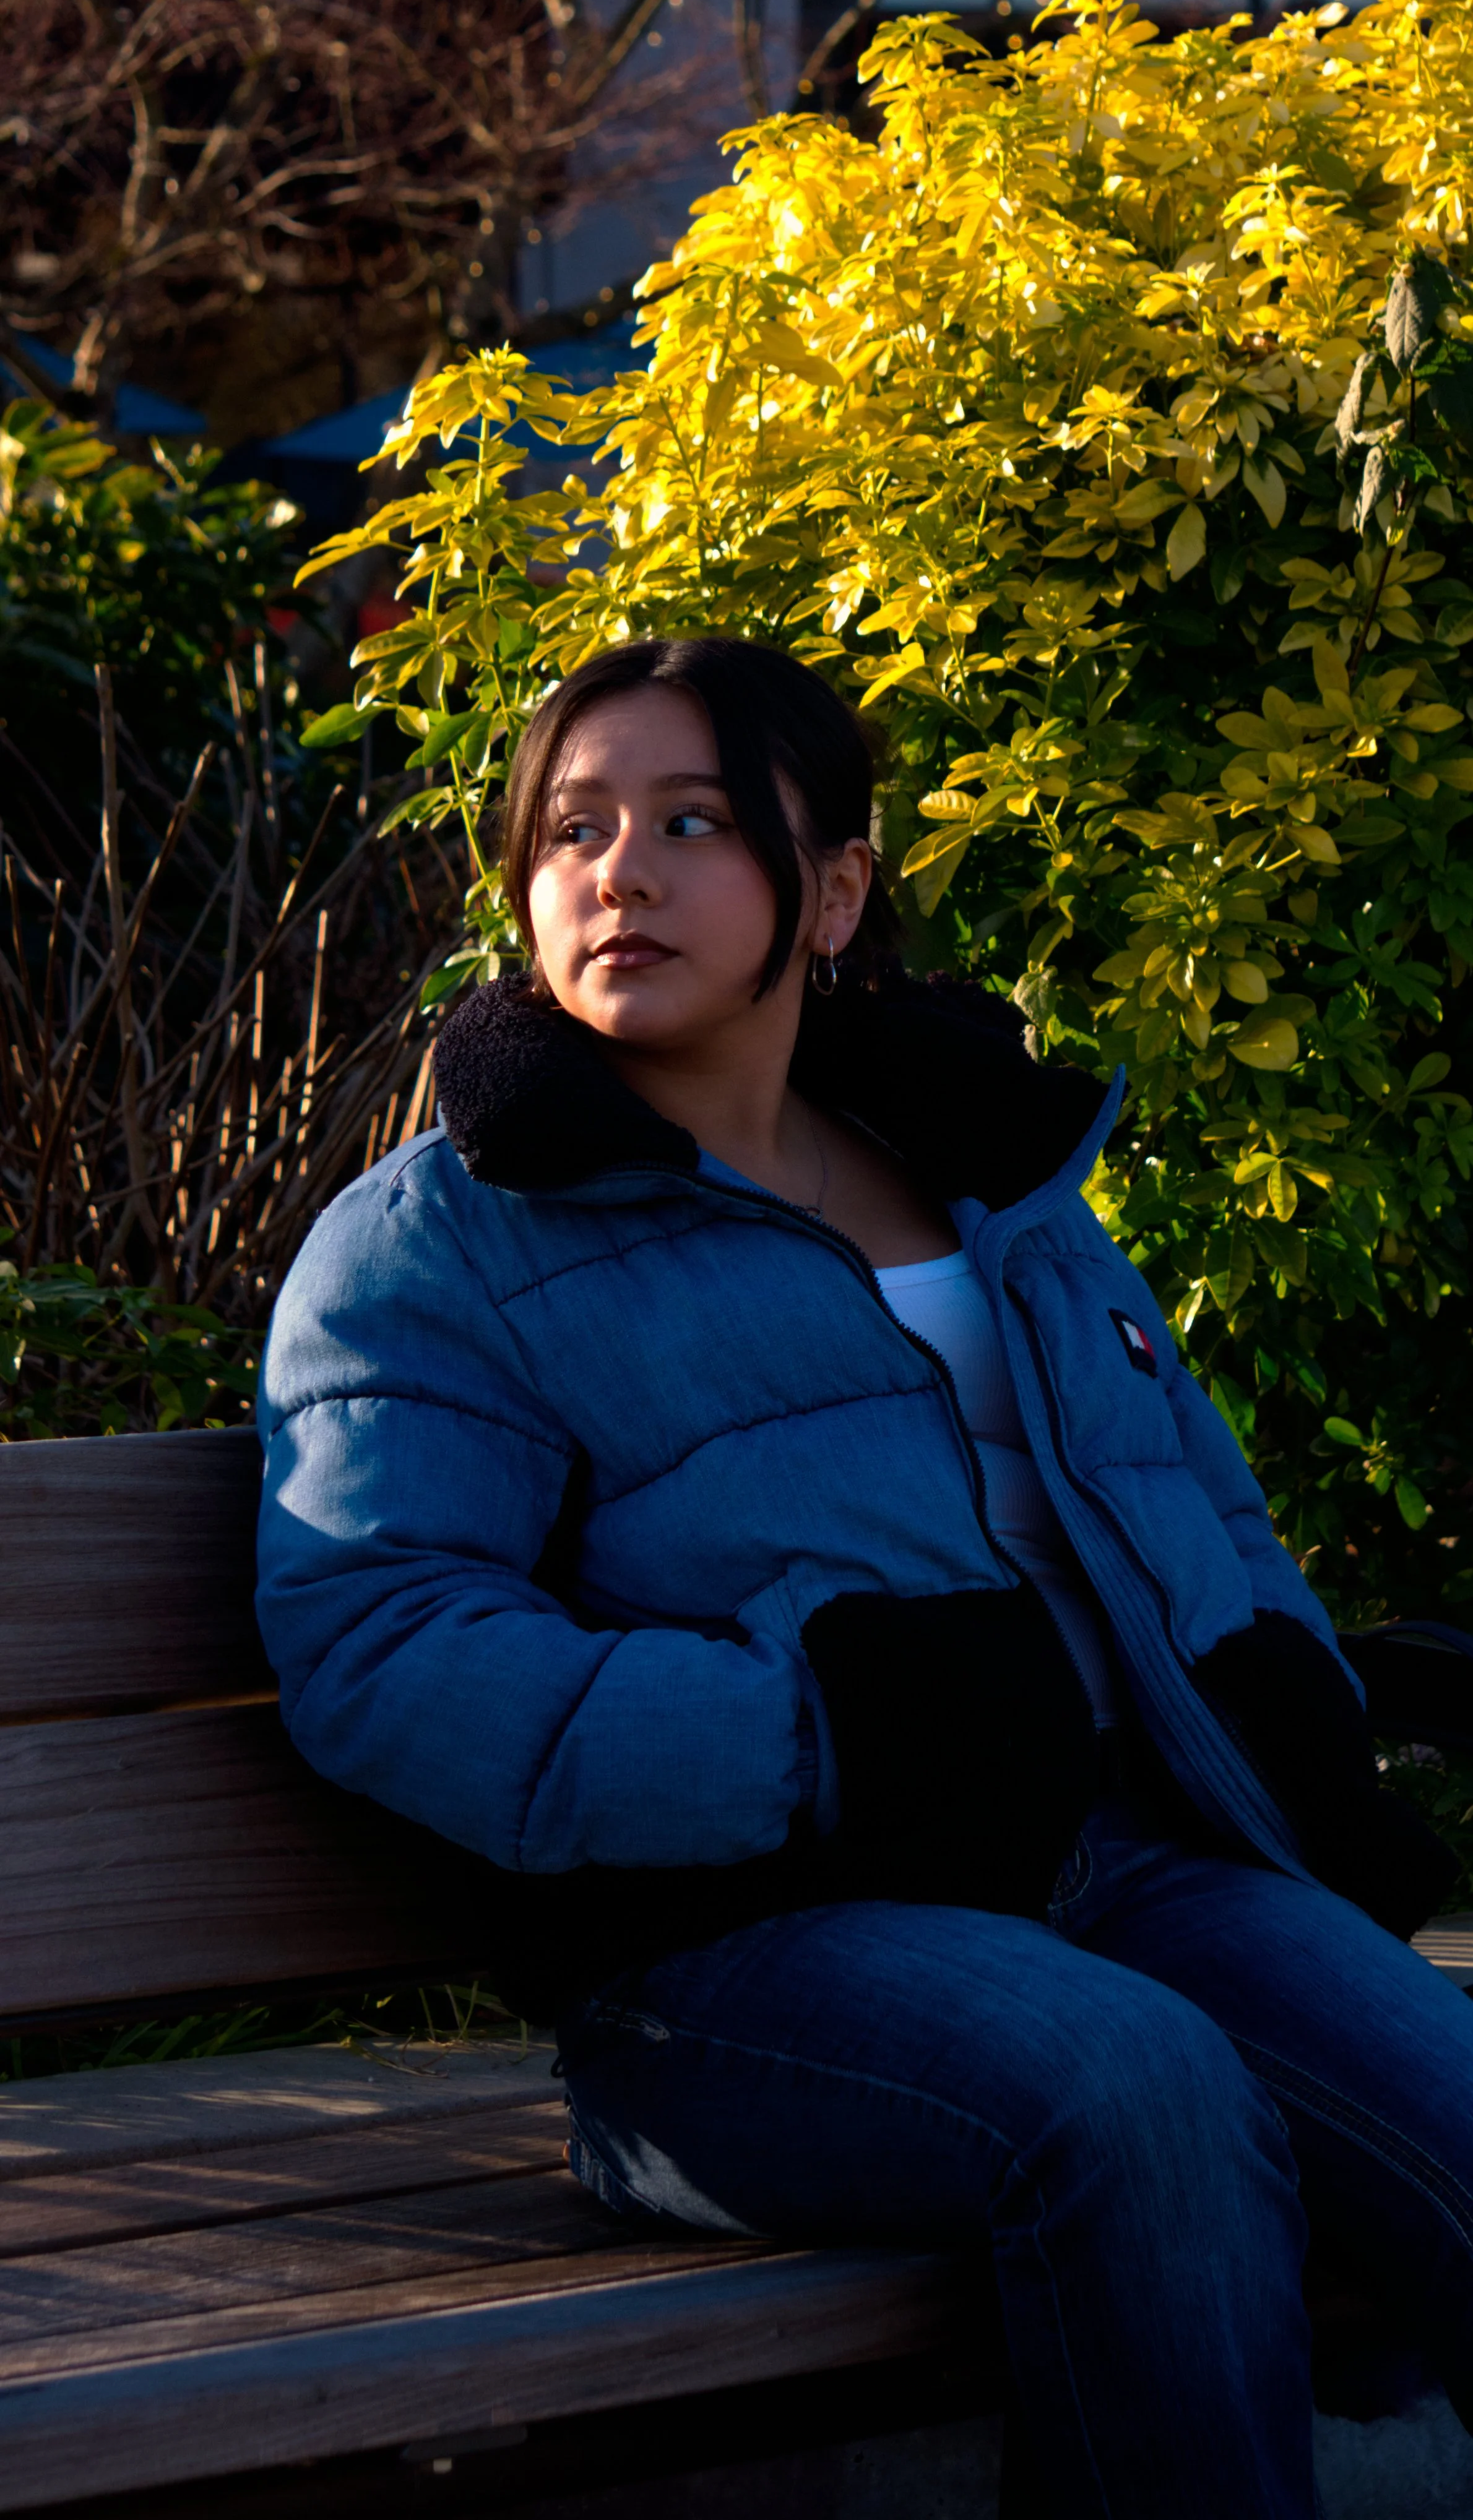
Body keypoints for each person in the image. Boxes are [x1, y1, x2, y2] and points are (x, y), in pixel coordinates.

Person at [256, 636, 1473, 2519]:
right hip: (725, 1961)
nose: (619, 873)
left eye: (691, 822)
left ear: (830, 890)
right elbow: (387, 1644)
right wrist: (821, 1740)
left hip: (1116, 1871)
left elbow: (1200, 1516)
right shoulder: (436, 1245)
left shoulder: (990, 1184)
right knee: (1136, 2087)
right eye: (570, 829)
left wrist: (1296, 1757)